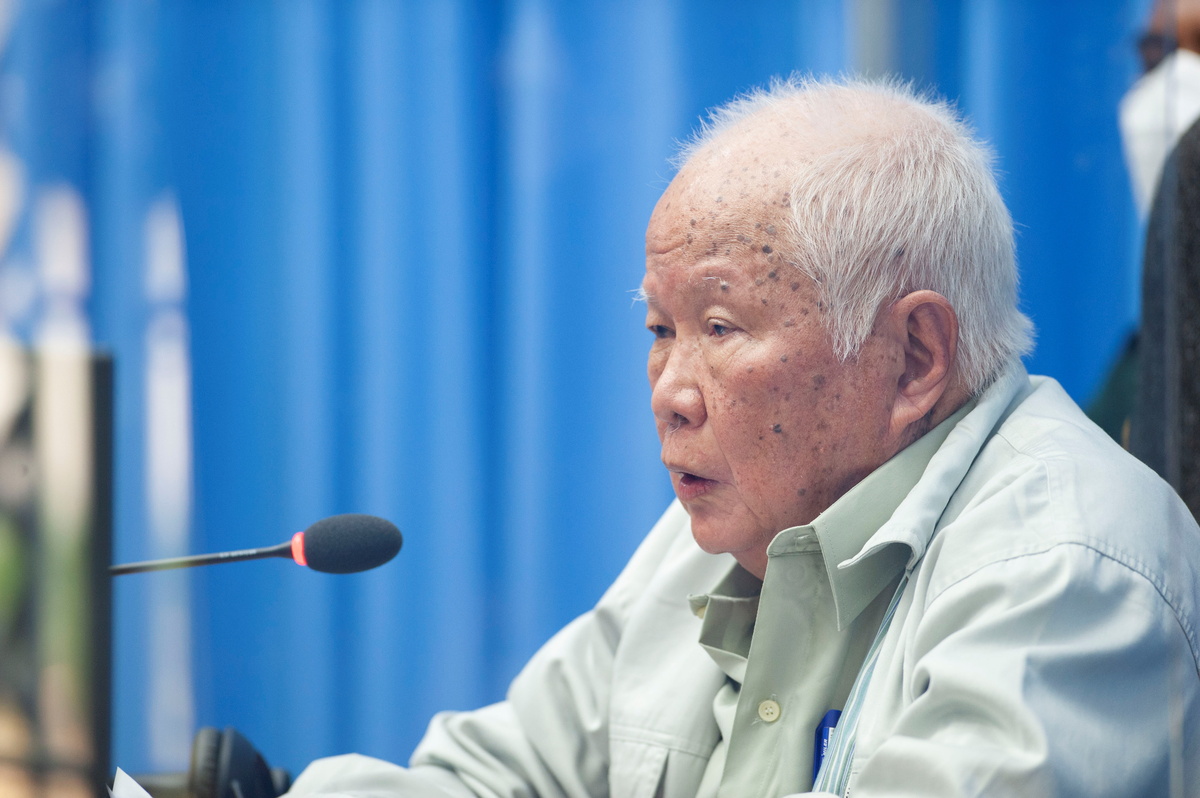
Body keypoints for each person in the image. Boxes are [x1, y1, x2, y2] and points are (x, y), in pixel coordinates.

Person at [287, 77, 1200, 797]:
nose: (669, 393)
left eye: (720, 328)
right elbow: (491, 777)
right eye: (659, 330)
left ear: (914, 357)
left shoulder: (1070, 571)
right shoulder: (740, 518)